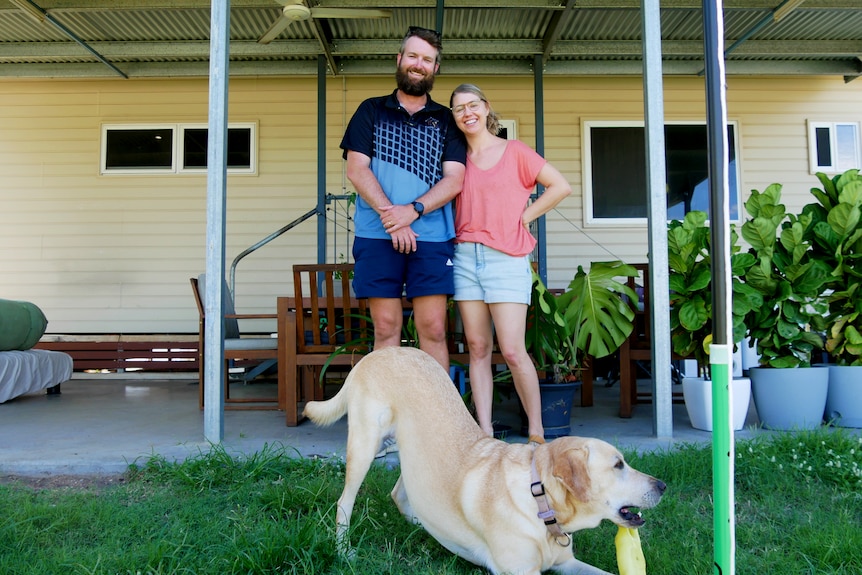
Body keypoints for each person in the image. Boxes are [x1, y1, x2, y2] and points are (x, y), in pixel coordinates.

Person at [449, 83, 571, 444]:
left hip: (507, 259)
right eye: (459, 109)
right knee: (477, 348)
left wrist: (524, 216)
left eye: (473, 105)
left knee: (514, 350)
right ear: (454, 117)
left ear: (486, 108)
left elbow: (559, 186)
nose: (467, 113)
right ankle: (484, 433)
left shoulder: (514, 151)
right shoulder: (454, 161)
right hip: (465, 258)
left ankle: (536, 433)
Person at [340, 27, 466, 371]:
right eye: (412, 56)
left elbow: (455, 179)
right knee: (385, 328)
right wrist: (392, 219)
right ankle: (387, 420)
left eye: (427, 59)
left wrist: (411, 212)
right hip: (377, 234)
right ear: (399, 59)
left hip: (432, 238)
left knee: (434, 330)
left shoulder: (447, 120)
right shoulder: (370, 111)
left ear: (435, 68)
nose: (418, 64)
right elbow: (357, 170)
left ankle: (436, 420)